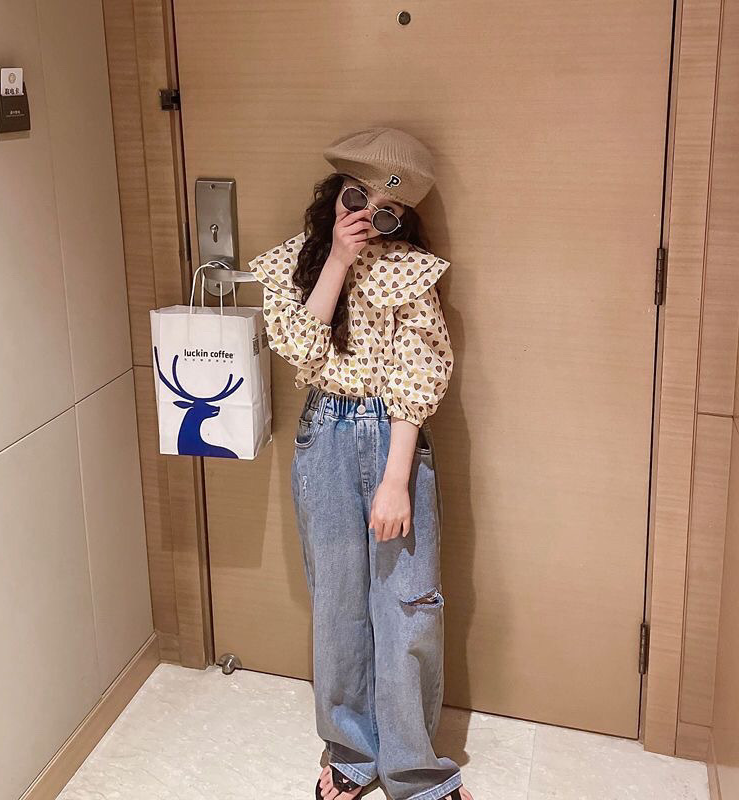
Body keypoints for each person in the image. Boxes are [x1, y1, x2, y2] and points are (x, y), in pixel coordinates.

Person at [249, 127, 470, 800]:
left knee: (408, 605)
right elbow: (298, 350)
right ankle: (350, 753)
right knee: (339, 602)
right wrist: (338, 261)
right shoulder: (296, 262)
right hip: (326, 435)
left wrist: (396, 479)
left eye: (387, 211)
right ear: (334, 194)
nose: (368, 218)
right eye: (356, 198)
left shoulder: (410, 271)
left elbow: (420, 372)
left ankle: (414, 769)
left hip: (392, 434)